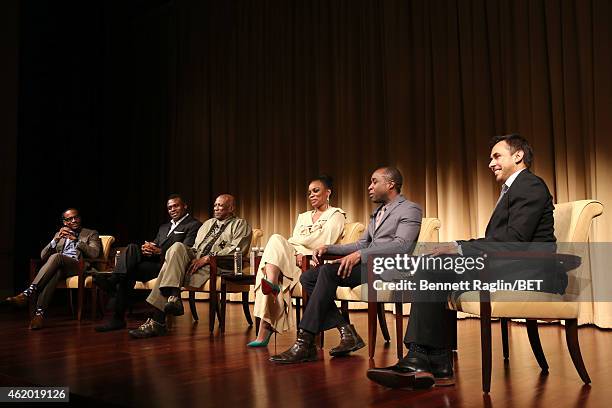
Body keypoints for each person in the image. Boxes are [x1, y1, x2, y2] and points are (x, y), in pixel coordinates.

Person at [367, 134, 556, 390]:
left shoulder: (529, 185)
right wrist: (455, 247)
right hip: (509, 263)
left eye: (497, 156)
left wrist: (457, 248)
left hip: (528, 268)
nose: (491, 163)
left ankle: (421, 359)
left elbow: (515, 241)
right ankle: (436, 364)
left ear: (518, 156)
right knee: (433, 267)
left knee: (432, 268)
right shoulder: (516, 188)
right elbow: (501, 239)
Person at [270, 167, 422, 363]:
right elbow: (361, 243)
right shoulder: (378, 212)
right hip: (370, 265)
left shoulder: (410, 208)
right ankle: (346, 332)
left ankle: (304, 341)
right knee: (308, 277)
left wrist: (360, 254)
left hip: (390, 268)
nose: (369, 187)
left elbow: (402, 246)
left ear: (391, 184)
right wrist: (327, 248)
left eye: (374, 182)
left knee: (326, 271)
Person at [128, 194, 252, 339]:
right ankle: (174, 297)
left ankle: (158, 321)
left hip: (219, 265)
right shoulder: (208, 224)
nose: (216, 208)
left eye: (220, 205)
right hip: (197, 259)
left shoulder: (240, 225)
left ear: (231, 208)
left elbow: (236, 250)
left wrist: (207, 258)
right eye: (215, 205)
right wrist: (188, 257)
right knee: (177, 247)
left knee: (169, 269)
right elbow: (195, 249)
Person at [247, 175, 346, 347]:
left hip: (315, 264)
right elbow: (293, 241)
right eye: (309, 193)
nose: (312, 195)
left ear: (328, 193)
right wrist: (296, 253)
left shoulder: (335, 215)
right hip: (295, 259)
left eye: (316, 191)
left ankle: (266, 328)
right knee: (276, 238)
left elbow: (324, 242)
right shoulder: (303, 216)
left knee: (271, 264)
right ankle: (271, 282)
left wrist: (300, 250)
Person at [95, 194, 202, 332]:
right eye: (169, 207)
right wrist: (148, 249)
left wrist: (159, 251)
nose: (172, 209)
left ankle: (114, 288)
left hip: (169, 268)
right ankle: (117, 313)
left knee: (127, 272)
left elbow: (185, 250)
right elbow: (156, 243)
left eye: (176, 206)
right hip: (154, 263)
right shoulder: (164, 227)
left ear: (185, 206)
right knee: (132, 251)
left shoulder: (194, 225)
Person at [5, 208, 102, 330]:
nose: (74, 220)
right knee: (56, 272)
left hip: (79, 266)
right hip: (61, 266)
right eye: (70, 219)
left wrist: (77, 241)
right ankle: (39, 315)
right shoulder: (59, 235)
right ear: (65, 222)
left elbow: (94, 253)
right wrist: (54, 240)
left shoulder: (90, 233)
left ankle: (28, 293)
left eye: (76, 217)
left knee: (56, 257)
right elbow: (43, 255)